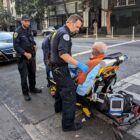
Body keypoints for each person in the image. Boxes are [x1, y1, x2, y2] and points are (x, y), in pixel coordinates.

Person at [50, 14, 89, 132]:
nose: (77, 30)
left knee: (60, 89)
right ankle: (68, 125)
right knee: (69, 95)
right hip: (60, 68)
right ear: (70, 23)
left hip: (56, 67)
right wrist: (78, 64)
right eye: (77, 27)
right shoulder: (65, 34)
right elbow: (63, 54)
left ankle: (58, 108)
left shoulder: (58, 31)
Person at [13, 15, 42, 101]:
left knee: (32, 73)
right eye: (26, 21)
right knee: (24, 76)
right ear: (22, 21)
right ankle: (25, 93)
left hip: (31, 56)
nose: (28, 23)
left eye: (28, 21)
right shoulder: (17, 32)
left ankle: (32, 88)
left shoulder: (29, 30)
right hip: (23, 58)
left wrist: (34, 44)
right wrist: (25, 53)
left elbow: (31, 40)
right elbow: (16, 46)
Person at [76, 42, 108, 117]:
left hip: (85, 88)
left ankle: (83, 103)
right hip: (96, 84)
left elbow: (81, 78)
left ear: (95, 50)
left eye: (92, 48)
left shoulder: (92, 63)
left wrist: (76, 81)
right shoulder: (104, 60)